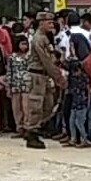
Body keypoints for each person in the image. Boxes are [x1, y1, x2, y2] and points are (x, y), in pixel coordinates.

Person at [26, 12, 66, 149]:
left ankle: (39, 127)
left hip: (45, 75)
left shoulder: (45, 38)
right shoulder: (38, 39)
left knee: (48, 104)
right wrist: (59, 77)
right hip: (37, 75)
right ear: (41, 23)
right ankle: (32, 133)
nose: (51, 24)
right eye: (49, 22)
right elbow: (46, 61)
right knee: (36, 104)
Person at [7, 34, 32, 137]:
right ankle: (19, 128)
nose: (24, 46)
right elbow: (9, 71)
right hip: (15, 84)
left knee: (26, 107)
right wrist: (8, 86)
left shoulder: (30, 56)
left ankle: (27, 128)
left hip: (27, 84)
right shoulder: (12, 57)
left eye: (26, 44)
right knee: (16, 108)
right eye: (22, 44)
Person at [66, 57, 90, 148]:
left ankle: (84, 139)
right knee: (71, 121)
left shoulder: (85, 77)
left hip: (82, 102)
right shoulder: (72, 78)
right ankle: (73, 138)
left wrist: (88, 102)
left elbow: (87, 90)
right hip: (74, 102)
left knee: (79, 122)